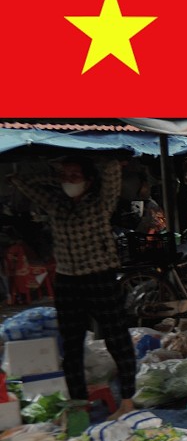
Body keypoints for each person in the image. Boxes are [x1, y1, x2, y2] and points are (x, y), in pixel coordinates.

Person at [9, 156, 137, 416]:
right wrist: (58, 175)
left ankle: (127, 400)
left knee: (117, 340)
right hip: (68, 281)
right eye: (65, 176)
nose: (69, 180)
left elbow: (110, 170)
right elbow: (22, 181)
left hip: (99, 277)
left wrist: (98, 159)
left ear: (89, 181)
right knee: (71, 347)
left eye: (75, 176)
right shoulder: (55, 203)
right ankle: (79, 404)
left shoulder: (101, 202)